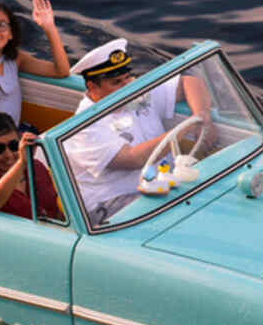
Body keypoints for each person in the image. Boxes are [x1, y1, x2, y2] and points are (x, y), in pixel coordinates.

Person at [62, 39, 210, 224]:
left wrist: (203, 116)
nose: (127, 87)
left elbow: (189, 77)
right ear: (93, 87)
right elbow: (132, 159)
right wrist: (185, 128)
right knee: (187, 219)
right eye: (117, 82)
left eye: (128, 78)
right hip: (111, 202)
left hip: (159, 186)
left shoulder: (135, 93)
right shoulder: (84, 126)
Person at [0, 0, 71, 126]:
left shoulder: (16, 58)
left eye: (1, 25)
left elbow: (62, 71)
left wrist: (49, 27)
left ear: (11, 33)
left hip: (13, 133)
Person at [0, 112, 61, 220]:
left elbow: (56, 211)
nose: (8, 155)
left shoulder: (36, 167)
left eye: (13, 145)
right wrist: (21, 163)